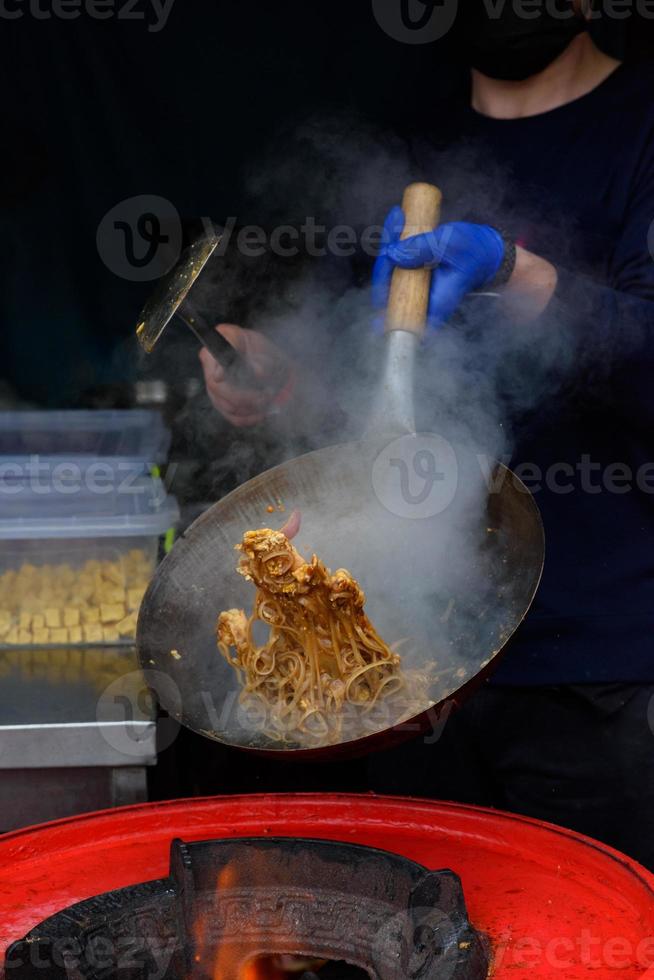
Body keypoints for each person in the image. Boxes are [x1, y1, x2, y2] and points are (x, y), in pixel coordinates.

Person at [201, 6, 654, 868]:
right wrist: (282, 375)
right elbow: (358, 381)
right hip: (416, 669)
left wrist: (521, 273)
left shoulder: (641, 128)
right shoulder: (409, 145)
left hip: (601, 677)